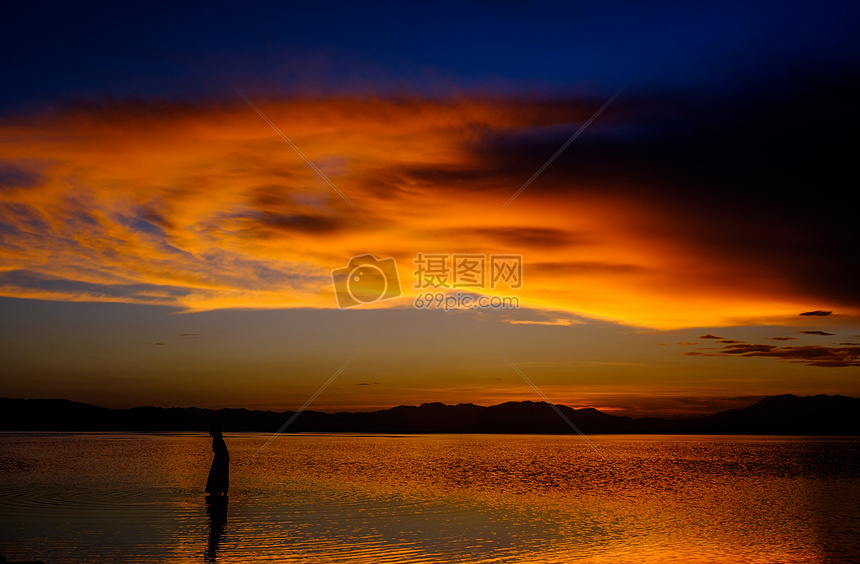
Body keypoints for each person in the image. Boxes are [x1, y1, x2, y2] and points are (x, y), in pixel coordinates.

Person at [205, 422, 229, 495]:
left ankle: (218, 490)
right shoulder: (217, 437)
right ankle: (221, 490)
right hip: (221, 459)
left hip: (220, 460)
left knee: (217, 476)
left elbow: (219, 451)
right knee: (220, 476)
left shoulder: (217, 438)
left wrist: (220, 460)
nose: (209, 431)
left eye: (210, 429)